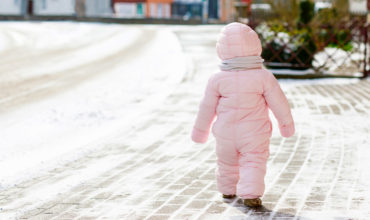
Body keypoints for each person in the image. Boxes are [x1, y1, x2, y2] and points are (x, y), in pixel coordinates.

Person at [191, 22, 295, 207]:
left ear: (222, 49)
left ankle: (227, 190)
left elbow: (206, 108)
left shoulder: (217, 78)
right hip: (254, 133)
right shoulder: (263, 77)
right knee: (254, 162)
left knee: (227, 162)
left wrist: (200, 132)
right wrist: (286, 126)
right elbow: (279, 103)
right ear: (255, 46)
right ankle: (251, 195)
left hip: (225, 133)